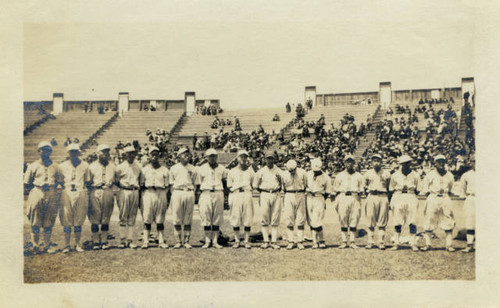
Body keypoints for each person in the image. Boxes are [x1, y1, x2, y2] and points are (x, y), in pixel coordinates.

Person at [24, 141, 63, 254]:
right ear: (38, 151)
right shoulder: (33, 166)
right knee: (35, 220)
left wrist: (53, 188)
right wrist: (38, 188)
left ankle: (46, 245)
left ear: (50, 151)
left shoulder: (56, 166)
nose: (45, 152)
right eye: (43, 150)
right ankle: (35, 245)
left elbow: (60, 181)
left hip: (51, 192)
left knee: (49, 220)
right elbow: (27, 182)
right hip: (37, 191)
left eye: (48, 150)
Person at [58, 144, 91, 253]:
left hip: (80, 191)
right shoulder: (62, 166)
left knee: (78, 219)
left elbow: (87, 181)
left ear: (79, 153)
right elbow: (59, 181)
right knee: (66, 219)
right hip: (67, 192)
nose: (73, 154)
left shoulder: (85, 165)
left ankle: (77, 244)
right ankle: (67, 245)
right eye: (71, 152)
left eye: (75, 152)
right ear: (68, 153)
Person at [421, 154, 456, 252]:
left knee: (448, 219)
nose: (441, 163)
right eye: (438, 161)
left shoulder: (449, 175)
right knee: (429, 219)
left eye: (442, 161)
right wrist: (432, 196)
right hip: (433, 197)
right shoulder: (430, 174)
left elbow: (452, 189)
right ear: (434, 163)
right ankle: (428, 244)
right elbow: (425, 189)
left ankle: (448, 245)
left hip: (445, 197)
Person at [196, 148, 228, 249]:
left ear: (217, 157)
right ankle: (207, 241)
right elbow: (198, 185)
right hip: (206, 192)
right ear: (206, 157)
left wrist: (226, 198)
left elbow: (225, 183)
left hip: (218, 192)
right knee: (206, 216)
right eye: (210, 156)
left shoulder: (222, 168)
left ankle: (215, 241)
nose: (212, 158)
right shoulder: (201, 169)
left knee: (217, 217)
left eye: (214, 156)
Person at [139, 146, 170, 249]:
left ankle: (161, 241)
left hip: (161, 192)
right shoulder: (144, 170)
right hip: (148, 192)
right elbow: (141, 184)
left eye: (156, 154)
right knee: (147, 217)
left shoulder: (164, 170)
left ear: (159, 156)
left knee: (160, 218)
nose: (154, 156)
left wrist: (164, 195)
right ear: (149, 156)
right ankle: (145, 241)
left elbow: (168, 185)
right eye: (153, 154)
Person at [388, 155, 420, 251]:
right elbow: (391, 189)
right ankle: (396, 244)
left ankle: (413, 243)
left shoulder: (415, 175)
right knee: (397, 221)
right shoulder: (395, 175)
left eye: (408, 163)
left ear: (410, 163)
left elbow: (418, 190)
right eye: (404, 163)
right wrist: (391, 203)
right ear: (400, 164)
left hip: (410, 195)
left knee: (412, 221)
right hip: (398, 196)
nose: (406, 165)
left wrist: (411, 194)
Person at [88, 144, 116, 250]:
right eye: (103, 152)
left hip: (107, 190)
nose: (105, 154)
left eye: (107, 152)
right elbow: (88, 181)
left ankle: (104, 241)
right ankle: (95, 241)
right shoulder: (91, 167)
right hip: (95, 190)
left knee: (106, 217)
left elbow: (115, 180)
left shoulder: (113, 166)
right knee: (95, 217)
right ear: (97, 153)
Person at [253, 150, 283, 249]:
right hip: (264, 194)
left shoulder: (279, 171)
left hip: (276, 194)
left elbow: (283, 185)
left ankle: (273, 241)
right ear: (265, 159)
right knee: (264, 217)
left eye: (271, 158)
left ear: (274, 159)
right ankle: (266, 241)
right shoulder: (260, 171)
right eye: (268, 158)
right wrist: (263, 191)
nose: (269, 160)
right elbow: (255, 185)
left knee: (275, 218)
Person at [332, 154, 363, 249]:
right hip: (343, 196)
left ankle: (352, 241)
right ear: (344, 163)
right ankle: (344, 241)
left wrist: (358, 197)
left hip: (354, 196)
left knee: (354, 218)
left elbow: (361, 190)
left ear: (354, 163)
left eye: (351, 161)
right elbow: (335, 189)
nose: (349, 163)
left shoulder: (359, 175)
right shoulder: (339, 175)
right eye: (347, 161)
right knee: (343, 218)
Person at [169, 147, 197, 249]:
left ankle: (186, 241)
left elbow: (195, 183)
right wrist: (174, 195)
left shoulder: (193, 168)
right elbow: (171, 184)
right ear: (179, 156)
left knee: (188, 218)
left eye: (188, 154)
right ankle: (178, 241)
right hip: (177, 192)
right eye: (184, 154)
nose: (187, 156)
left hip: (189, 192)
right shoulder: (173, 168)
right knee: (177, 218)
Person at [115, 145, 142, 249]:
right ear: (125, 154)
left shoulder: (139, 166)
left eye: (133, 153)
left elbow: (140, 179)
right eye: (129, 153)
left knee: (132, 216)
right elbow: (116, 181)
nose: (131, 155)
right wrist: (123, 187)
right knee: (123, 216)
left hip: (135, 191)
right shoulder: (120, 167)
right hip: (124, 191)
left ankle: (130, 240)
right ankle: (122, 240)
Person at [227, 150, 255, 249]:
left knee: (248, 217)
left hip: (247, 193)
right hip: (236, 194)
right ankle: (237, 240)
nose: (243, 159)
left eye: (245, 157)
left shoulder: (251, 171)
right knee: (236, 217)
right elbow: (229, 185)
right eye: (241, 157)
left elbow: (253, 184)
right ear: (237, 158)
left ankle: (246, 241)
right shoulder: (232, 171)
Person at [363, 154, 391, 249]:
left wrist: (389, 201)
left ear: (381, 162)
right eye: (374, 161)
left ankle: (381, 242)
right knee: (370, 219)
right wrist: (369, 194)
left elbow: (389, 187)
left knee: (382, 220)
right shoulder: (367, 173)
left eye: (378, 160)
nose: (376, 162)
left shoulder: (386, 173)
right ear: (371, 162)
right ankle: (370, 241)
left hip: (383, 196)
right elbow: (364, 187)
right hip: (372, 196)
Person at [282, 159, 307, 250]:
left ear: (296, 167)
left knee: (300, 218)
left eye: (293, 170)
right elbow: (283, 187)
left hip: (300, 194)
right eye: (290, 171)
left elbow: (306, 185)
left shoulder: (303, 172)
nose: (291, 172)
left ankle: (300, 241)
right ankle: (291, 241)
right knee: (289, 219)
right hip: (289, 194)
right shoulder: (284, 174)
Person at [306, 158, 331, 249]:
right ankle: (315, 241)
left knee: (317, 220)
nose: (315, 172)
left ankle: (321, 240)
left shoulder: (326, 177)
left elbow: (327, 192)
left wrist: (322, 200)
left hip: (319, 197)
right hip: (309, 197)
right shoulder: (307, 174)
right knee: (311, 220)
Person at [459, 155, 475, 252]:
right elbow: (462, 190)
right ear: (471, 162)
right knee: (470, 221)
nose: (476, 163)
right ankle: (469, 244)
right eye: (474, 161)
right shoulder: (466, 175)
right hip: (471, 198)